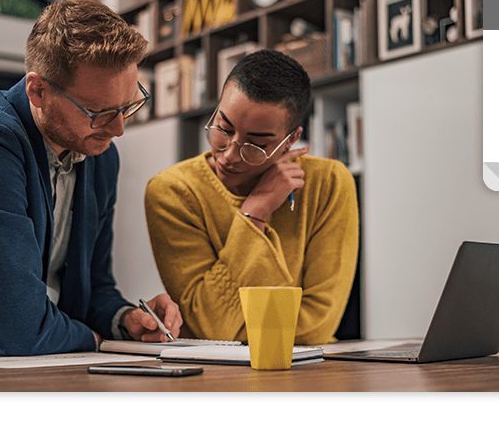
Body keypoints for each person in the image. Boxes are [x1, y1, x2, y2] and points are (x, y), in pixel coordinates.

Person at [0, 0, 182, 359]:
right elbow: (21, 330)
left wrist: (126, 320)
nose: (120, 128)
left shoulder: (100, 153)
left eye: (128, 106)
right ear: (38, 90)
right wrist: (95, 339)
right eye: (99, 111)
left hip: (41, 361)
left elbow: (94, 286)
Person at [144, 49, 358, 346]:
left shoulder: (329, 183)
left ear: (291, 139)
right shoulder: (173, 191)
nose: (229, 154)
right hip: (215, 377)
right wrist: (254, 213)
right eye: (223, 128)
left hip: (313, 372)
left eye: (256, 144)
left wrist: (236, 332)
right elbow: (209, 327)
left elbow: (318, 326)